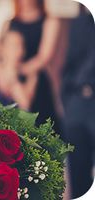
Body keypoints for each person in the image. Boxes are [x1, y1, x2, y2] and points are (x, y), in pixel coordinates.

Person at [0, 0, 61, 131]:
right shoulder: (9, 23)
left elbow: (43, 57)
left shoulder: (50, 21)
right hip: (5, 77)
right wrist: (1, 75)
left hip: (33, 78)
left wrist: (14, 74)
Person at [61, 7, 95, 199]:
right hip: (77, 102)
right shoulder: (81, 22)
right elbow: (69, 62)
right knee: (78, 175)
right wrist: (68, 99)